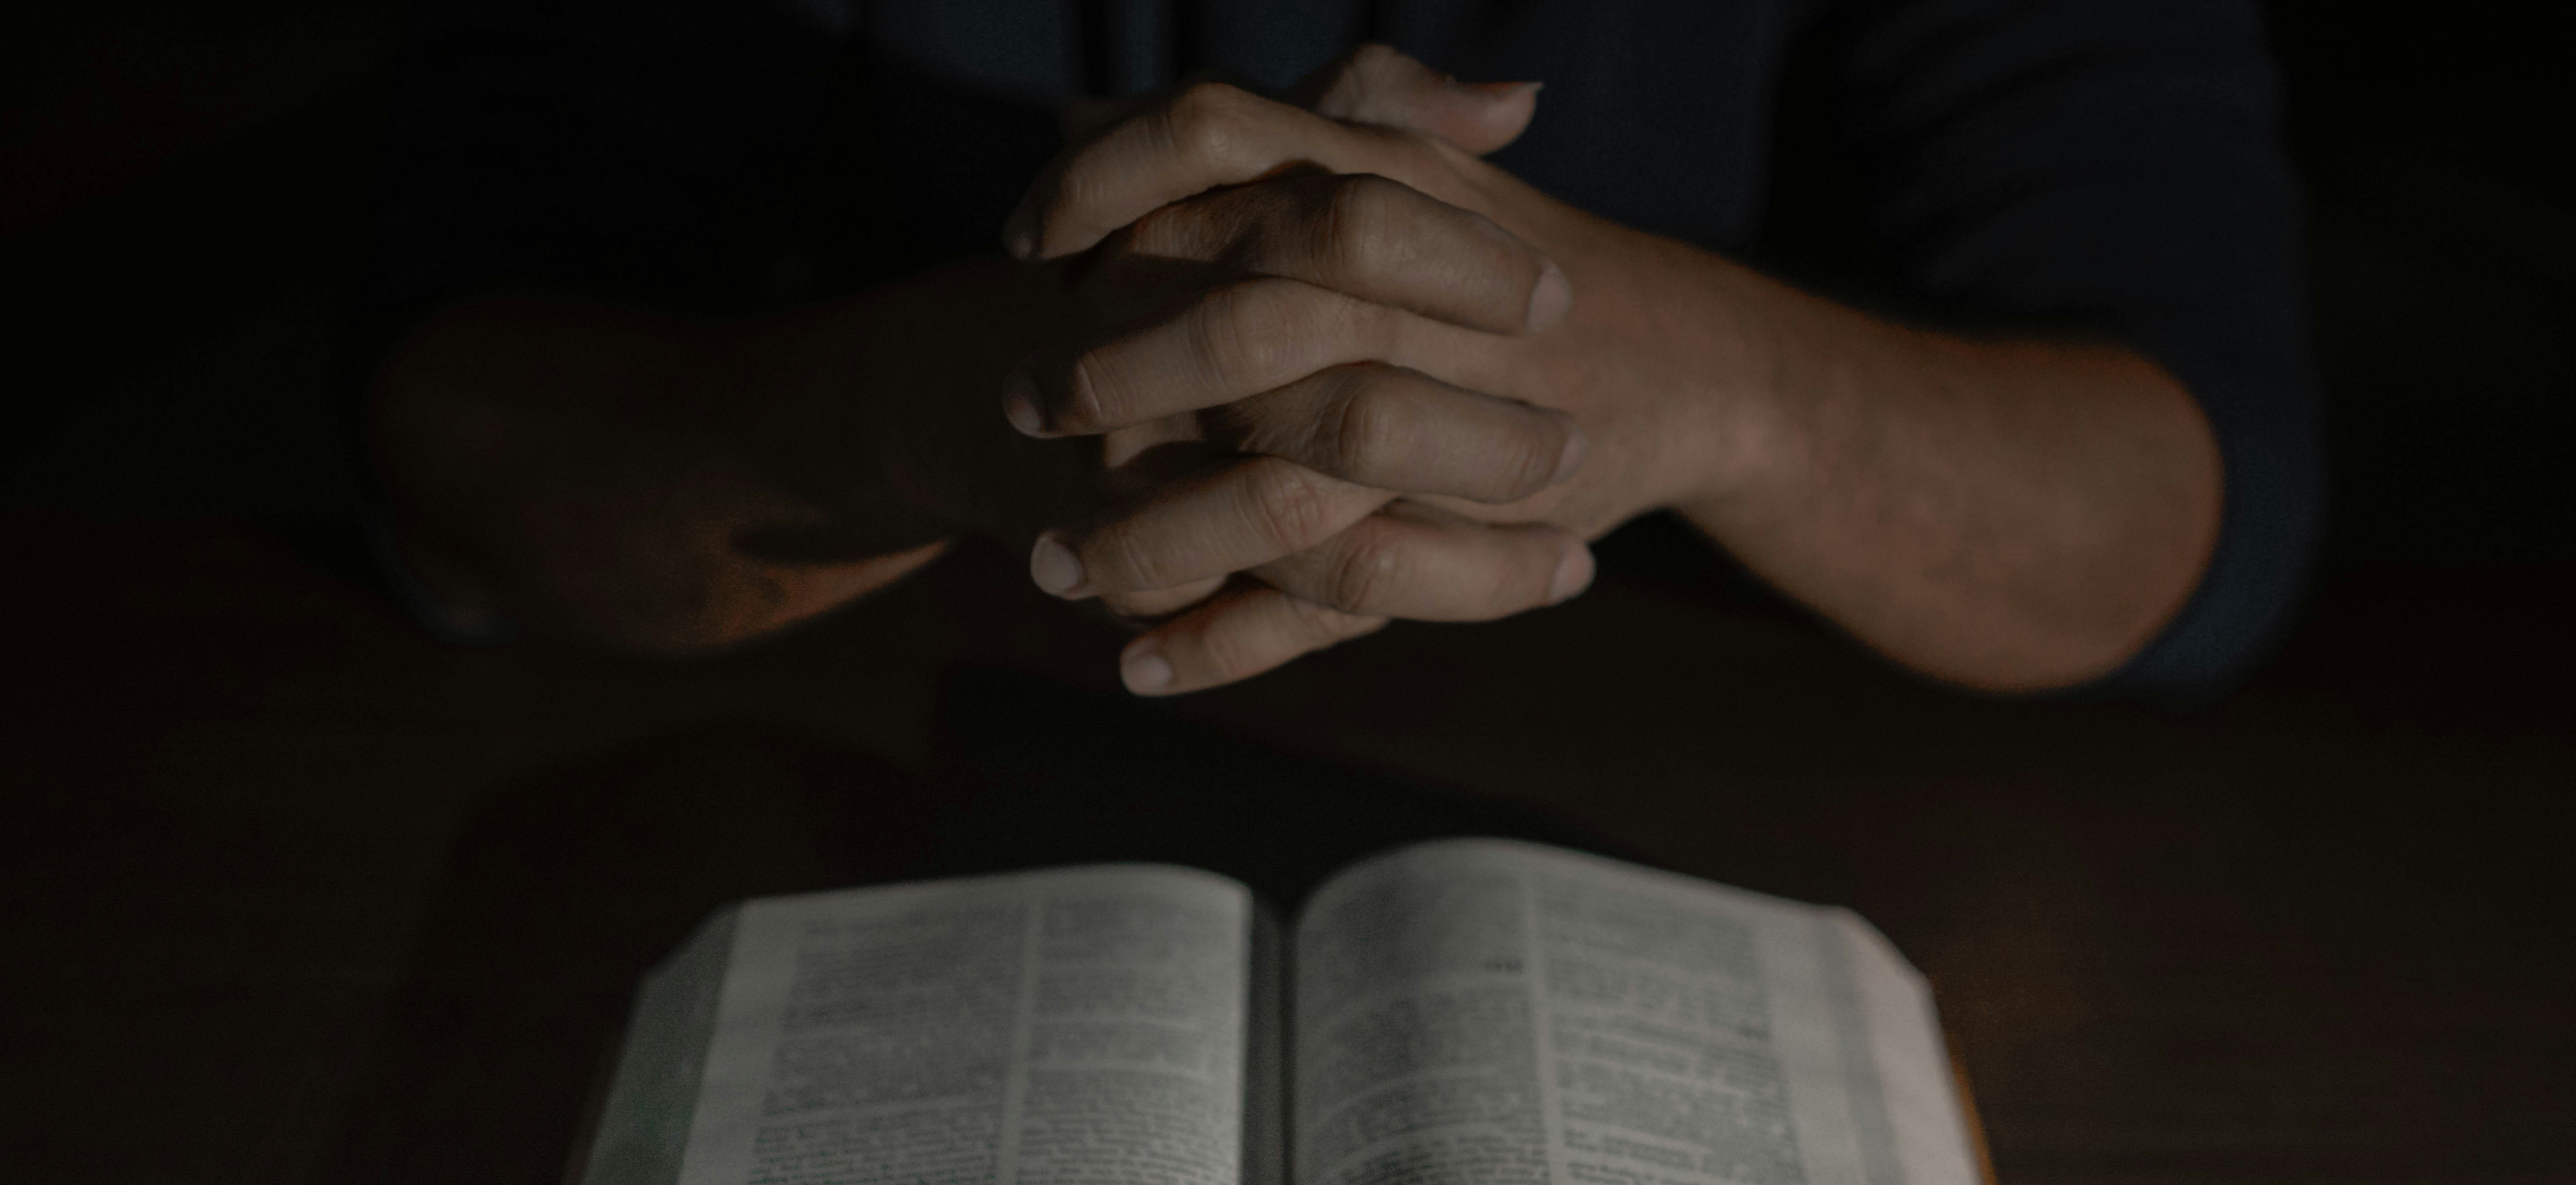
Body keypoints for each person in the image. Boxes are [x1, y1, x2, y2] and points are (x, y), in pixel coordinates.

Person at [360, 1, 2321, 698]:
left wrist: (1682, 368)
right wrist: (960, 404)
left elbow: (2189, 502)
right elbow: (446, 424)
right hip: (854, 785)